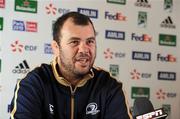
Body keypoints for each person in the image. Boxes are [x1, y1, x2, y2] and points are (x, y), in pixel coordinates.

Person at [10, 12, 132, 119]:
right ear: (56, 48)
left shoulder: (109, 86)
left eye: (90, 41)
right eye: (74, 42)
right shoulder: (34, 84)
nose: (84, 50)